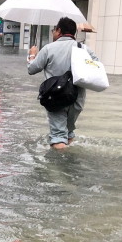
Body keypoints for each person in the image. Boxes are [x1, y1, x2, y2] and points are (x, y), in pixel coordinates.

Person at [27, 17, 99, 150]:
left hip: (56, 97)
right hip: (77, 98)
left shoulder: (49, 48)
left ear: (59, 30)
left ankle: (62, 161)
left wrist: (32, 55)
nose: (53, 33)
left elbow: (32, 69)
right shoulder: (84, 49)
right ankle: (70, 155)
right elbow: (96, 68)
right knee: (69, 132)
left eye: (54, 30)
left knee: (58, 136)